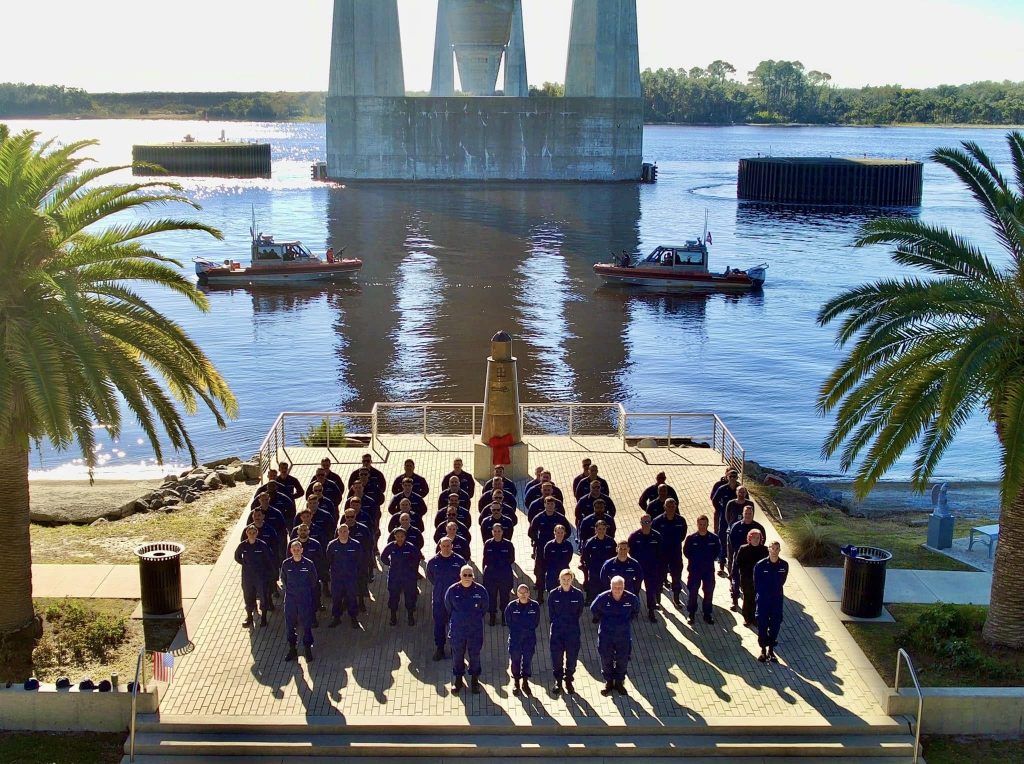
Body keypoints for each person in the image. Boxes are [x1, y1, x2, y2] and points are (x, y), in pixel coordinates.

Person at [590, 576, 640, 696]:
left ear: (624, 587)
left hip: (623, 636)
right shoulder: (602, 598)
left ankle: (619, 682)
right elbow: (593, 609)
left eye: (620, 587)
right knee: (606, 658)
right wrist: (602, 619)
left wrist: (626, 621)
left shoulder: (631, 598)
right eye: (615, 587)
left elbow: (636, 611)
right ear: (610, 587)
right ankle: (608, 682)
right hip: (606, 635)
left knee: (622, 659)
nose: (617, 590)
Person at [445, 566, 489, 694]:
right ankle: (458, 680)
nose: (467, 578)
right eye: (465, 575)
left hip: (475, 631)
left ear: (473, 576)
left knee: (475, 656)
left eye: (470, 575)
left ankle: (474, 681)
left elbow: (484, 607)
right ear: (460, 576)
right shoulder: (452, 590)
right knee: (457, 656)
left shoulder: (480, 591)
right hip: (458, 631)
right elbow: (448, 606)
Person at [426, 538, 466, 661]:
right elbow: (430, 576)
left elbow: (465, 578)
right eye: (444, 546)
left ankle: (456, 650)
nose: (446, 548)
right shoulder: (433, 562)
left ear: (452, 546)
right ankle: (440, 649)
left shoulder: (459, 561)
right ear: (440, 546)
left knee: (456, 626)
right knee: (439, 625)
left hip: (456, 600)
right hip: (439, 599)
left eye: (448, 545)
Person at [280, 539, 319, 662]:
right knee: (290, 625)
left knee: (306, 624)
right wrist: (291, 591)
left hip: (304, 598)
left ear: (302, 550)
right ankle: (292, 649)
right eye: (294, 549)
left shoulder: (308, 564)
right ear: (291, 551)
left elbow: (314, 580)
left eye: (298, 549)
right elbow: (283, 579)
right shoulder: (286, 564)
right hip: (291, 599)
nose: (296, 551)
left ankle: (307, 648)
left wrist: (304, 591)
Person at [547, 569, 584, 695]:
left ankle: (568, 680)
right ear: (559, 579)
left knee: (572, 658)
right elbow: (551, 613)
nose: (566, 582)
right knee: (556, 658)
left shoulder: (578, 594)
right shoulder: (553, 594)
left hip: (572, 631)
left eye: (568, 579)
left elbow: (579, 611)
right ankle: (558, 681)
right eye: (564, 579)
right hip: (557, 631)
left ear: (572, 579)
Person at [529, 502, 573, 602]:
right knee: (540, 574)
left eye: (552, 505)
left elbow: (568, 530)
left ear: (554, 506)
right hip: (541, 550)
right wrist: (538, 541)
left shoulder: (560, 518)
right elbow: (531, 531)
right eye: (548, 505)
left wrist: (561, 539)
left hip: (558, 549)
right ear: (544, 505)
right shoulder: (539, 517)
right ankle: (540, 596)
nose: (550, 507)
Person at [684, 515, 722, 625]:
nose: (702, 527)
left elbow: (717, 551)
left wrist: (709, 559)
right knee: (693, 592)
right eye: (700, 524)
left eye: (704, 525)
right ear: (697, 524)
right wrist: (694, 560)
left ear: (707, 524)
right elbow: (686, 552)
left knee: (708, 593)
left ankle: (707, 614)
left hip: (708, 571)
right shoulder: (691, 538)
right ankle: (691, 614)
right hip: (694, 570)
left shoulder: (713, 538)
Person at [754, 541, 788, 663]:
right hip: (763, 600)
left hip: (776, 600)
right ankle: (763, 650)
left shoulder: (784, 565)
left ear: (779, 550)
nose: (774, 551)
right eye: (772, 548)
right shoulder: (760, 565)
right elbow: (756, 583)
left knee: (775, 625)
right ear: (768, 549)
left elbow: (782, 581)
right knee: (762, 625)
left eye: (776, 548)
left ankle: (771, 650)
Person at [380, 528, 423, 626]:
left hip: (408, 577)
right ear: (395, 537)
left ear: (405, 537)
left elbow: (416, 558)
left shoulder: (410, 547)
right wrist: (390, 563)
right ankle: (393, 616)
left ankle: (410, 616)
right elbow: (383, 557)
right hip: (395, 576)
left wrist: (410, 568)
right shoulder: (391, 546)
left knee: (410, 597)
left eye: (402, 536)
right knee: (393, 596)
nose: (400, 538)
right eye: (398, 536)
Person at [504, 584, 540, 696]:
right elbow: (508, 621)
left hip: (529, 638)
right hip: (515, 638)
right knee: (515, 661)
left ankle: (525, 682)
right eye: (521, 592)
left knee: (527, 661)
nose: (523, 595)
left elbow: (536, 622)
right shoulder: (511, 606)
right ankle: (516, 683)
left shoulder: (534, 606)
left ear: (529, 593)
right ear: (517, 594)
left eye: (525, 592)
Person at [235, 524, 274, 628]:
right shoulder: (243, 545)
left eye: (254, 533)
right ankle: (249, 617)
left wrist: (268, 572)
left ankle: (264, 618)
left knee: (263, 596)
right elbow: (237, 556)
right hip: (247, 576)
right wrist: (245, 563)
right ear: (246, 533)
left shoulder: (262, 545)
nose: (252, 535)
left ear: (257, 533)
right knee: (248, 596)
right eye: (249, 533)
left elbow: (269, 558)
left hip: (261, 576)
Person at [727, 506, 766, 610]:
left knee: (751, 583)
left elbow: (763, 540)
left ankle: (749, 604)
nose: (748, 515)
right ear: (743, 514)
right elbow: (731, 540)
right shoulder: (736, 526)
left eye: (750, 513)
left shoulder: (758, 527)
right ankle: (734, 601)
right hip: (739, 556)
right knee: (735, 578)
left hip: (753, 559)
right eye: (746, 513)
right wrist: (737, 551)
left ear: (753, 514)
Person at [627, 514, 664, 622]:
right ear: (640, 523)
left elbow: (660, 552)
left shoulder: (657, 536)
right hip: (638, 568)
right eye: (644, 522)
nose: (646, 525)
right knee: (635, 589)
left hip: (652, 568)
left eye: (648, 522)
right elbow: (631, 551)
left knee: (651, 590)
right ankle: (634, 610)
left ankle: (651, 610)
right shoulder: (634, 536)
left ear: (651, 522)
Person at [326, 523, 362, 629]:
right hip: (337, 578)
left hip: (351, 578)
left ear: (348, 532)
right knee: (336, 598)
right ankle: (336, 618)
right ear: (337, 532)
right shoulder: (332, 545)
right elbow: (328, 560)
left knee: (352, 597)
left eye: (345, 531)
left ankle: (353, 618)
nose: (342, 533)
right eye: (340, 531)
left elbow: (360, 560)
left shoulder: (356, 544)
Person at [652, 499, 687, 606]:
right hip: (661, 554)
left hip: (675, 553)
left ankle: (676, 598)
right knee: (659, 577)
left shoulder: (681, 521)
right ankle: (658, 600)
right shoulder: (657, 521)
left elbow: (682, 535)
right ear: (664, 507)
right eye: (669, 506)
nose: (671, 508)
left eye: (673, 506)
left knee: (676, 576)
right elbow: (653, 536)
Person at [732, 528, 768, 627]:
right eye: (754, 538)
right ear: (749, 538)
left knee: (757, 599)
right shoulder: (744, 549)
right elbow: (738, 562)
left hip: (759, 579)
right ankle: (747, 618)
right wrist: (746, 572)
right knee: (748, 598)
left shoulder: (764, 550)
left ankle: (755, 618)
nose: (756, 540)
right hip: (747, 578)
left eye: (758, 538)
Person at [482, 523, 516, 626]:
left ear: (502, 532)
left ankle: (504, 616)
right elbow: (485, 559)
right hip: (491, 576)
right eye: (495, 531)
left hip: (504, 575)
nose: (497, 533)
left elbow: (512, 559)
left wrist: (501, 564)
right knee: (491, 596)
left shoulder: (508, 544)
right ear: (492, 532)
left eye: (499, 531)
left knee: (504, 596)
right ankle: (492, 615)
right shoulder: (488, 544)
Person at [341, 508, 373, 611]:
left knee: (361, 582)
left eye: (352, 516)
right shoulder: (342, 530)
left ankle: (361, 602)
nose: (350, 519)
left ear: (355, 516)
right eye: (347, 517)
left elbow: (369, 544)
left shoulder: (363, 529)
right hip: (346, 563)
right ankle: (347, 601)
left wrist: (366, 559)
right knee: (346, 583)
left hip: (360, 562)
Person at [710, 470, 740, 575]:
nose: (732, 478)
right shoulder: (722, 489)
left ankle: (734, 566)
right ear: (727, 477)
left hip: (736, 519)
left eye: (734, 476)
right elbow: (714, 500)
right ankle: (722, 564)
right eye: (730, 476)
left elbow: (747, 501)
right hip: (724, 518)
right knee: (722, 539)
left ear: (737, 477)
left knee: (735, 541)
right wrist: (720, 510)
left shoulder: (740, 489)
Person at [581, 521, 617, 603]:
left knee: (606, 587)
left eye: (603, 529)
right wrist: (590, 566)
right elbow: (585, 556)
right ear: (595, 529)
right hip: (594, 570)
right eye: (599, 529)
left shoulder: (611, 542)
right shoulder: (590, 542)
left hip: (607, 570)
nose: (601, 531)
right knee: (594, 588)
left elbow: (615, 556)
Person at [542, 525, 574, 594]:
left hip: (564, 570)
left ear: (564, 533)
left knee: (565, 588)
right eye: (558, 533)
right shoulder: (549, 545)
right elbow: (546, 558)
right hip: (552, 571)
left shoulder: (568, 545)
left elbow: (569, 557)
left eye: (562, 533)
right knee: (552, 590)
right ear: (554, 533)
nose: (560, 535)